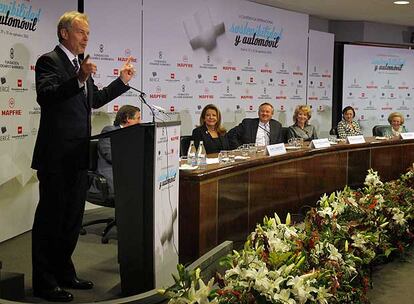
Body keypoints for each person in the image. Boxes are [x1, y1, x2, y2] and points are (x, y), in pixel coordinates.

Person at [31, 11, 135, 302]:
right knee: (51, 220)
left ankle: (64, 272)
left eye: (88, 33)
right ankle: (44, 281)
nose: (86, 37)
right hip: (55, 158)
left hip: (78, 158)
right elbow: (47, 96)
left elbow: (94, 99)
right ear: (64, 33)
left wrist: (121, 82)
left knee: (72, 221)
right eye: (81, 32)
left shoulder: (80, 65)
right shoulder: (48, 61)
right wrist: (79, 77)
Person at [90, 105, 141, 196]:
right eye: (138, 118)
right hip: (111, 174)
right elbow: (110, 155)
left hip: (128, 173)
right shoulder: (109, 130)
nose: (140, 121)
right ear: (127, 118)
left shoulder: (135, 134)